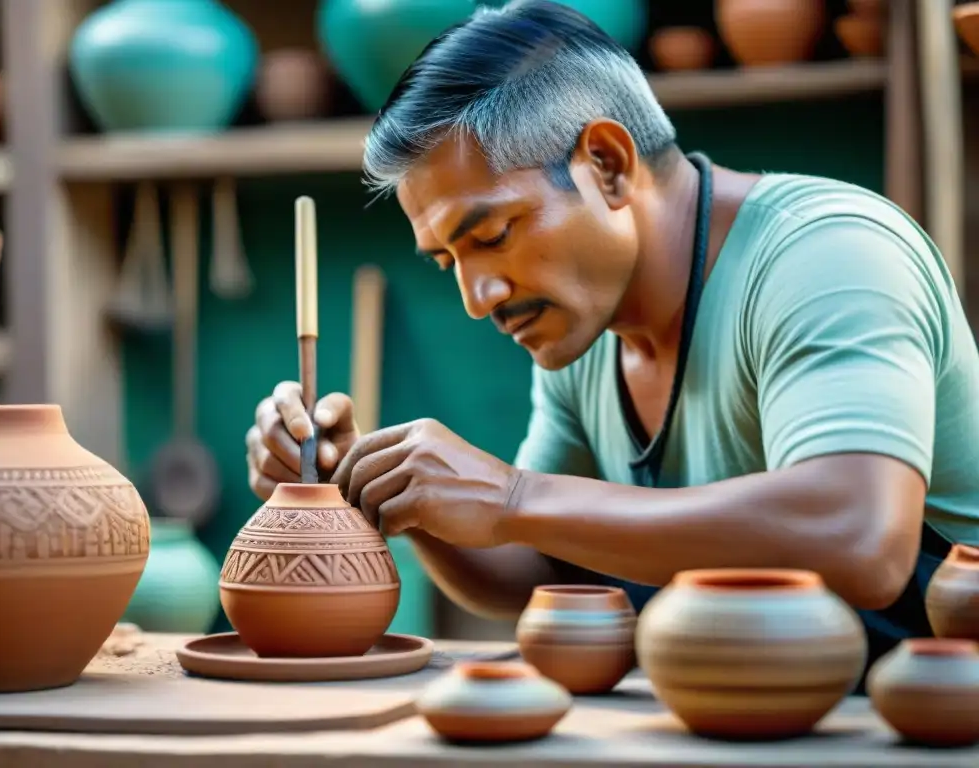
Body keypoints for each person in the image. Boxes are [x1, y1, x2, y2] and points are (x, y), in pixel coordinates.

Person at [245, 0, 979, 669]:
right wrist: (387, 489)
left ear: (607, 164)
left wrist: (513, 497)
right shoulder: (583, 326)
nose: (478, 297)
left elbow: (858, 535)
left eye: (493, 234)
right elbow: (540, 569)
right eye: (448, 262)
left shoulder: (826, 254)